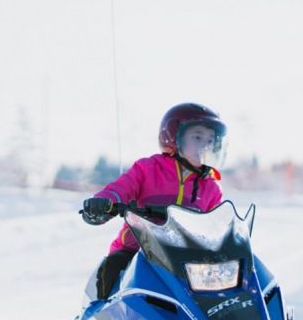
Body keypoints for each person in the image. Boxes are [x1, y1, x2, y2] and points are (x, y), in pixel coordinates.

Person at [81, 102, 228, 299]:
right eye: (198, 136)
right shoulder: (148, 168)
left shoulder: (211, 187)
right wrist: (103, 203)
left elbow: (217, 226)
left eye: (211, 139)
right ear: (174, 137)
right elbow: (120, 189)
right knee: (113, 268)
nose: (206, 144)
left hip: (187, 260)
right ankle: (103, 315)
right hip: (137, 250)